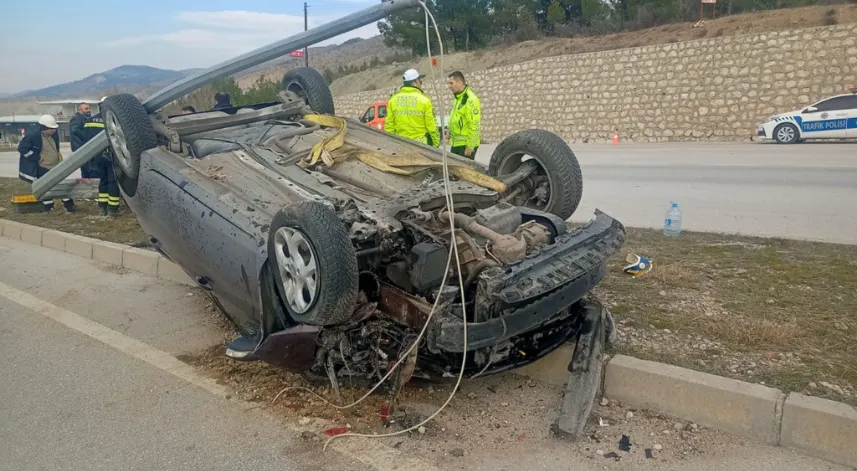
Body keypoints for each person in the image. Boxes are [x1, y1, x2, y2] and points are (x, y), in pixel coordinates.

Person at [18, 115, 75, 212]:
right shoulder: (33, 137)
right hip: (42, 167)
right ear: (44, 128)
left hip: (55, 166)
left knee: (62, 186)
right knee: (47, 189)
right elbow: (22, 149)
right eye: (51, 129)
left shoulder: (54, 136)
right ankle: (49, 207)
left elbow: (55, 149)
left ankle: (69, 205)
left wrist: (58, 156)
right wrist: (37, 158)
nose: (54, 130)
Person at [384, 68, 440, 147]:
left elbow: (389, 127)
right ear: (414, 83)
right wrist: (436, 143)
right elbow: (431, 126)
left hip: (401, 146)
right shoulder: (424, 101)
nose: (421, 83)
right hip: (422, 146)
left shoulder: (393, 101)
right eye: (419, 81)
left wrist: (390, 145)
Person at [87, 99, 122, 217]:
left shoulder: (90, 120)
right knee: (113, 182)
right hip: (112, 155)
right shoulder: (115, 118)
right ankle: (112, 210)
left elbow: (86, 141)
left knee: (103, 181)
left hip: (97, 156)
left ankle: (102, 208)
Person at [447, 71, 482, 160]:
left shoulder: (471, 100)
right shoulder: (458, 98)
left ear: (460, 82)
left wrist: (470, 146)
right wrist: (450, 130)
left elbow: (474, 125)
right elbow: (457, 118)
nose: (449, 86)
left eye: (451, 83)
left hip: (465, 146)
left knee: (463, 172)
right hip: (456, 144)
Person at [69, 102, 98, 178]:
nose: (88, 110)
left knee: (88, 169)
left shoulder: (85, 118)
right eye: (86, 108)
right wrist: (87, 136)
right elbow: (74, 130)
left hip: (84, 147)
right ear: (80, 109)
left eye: (89, 108)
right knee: (87, 169)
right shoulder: (77, 118)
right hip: (81, 147)